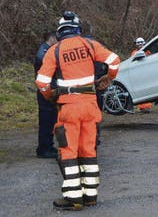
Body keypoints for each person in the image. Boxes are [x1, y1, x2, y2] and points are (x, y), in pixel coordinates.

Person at [35, 11, 120, 211]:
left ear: (60, 32)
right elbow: (114, 60)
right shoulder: (90, 45)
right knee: (88, 149)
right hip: (90, 106)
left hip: (69, 108)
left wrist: (50, 96)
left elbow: (42, 82)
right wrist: (108, 78)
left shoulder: (54, 51)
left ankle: (74, 198)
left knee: (68, 151)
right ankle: (90, 196)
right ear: (78, 29)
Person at [33, 31, 58, 159]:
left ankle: (48, 146)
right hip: (45, 90)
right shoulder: (43, 53)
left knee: (50, 120)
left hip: (47, 89)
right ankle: (44, 149)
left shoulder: (45, 51)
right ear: (52, 38)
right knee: (46, 121)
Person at [130, 37, 153, 113]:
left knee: (147, 90)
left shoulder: (148, 52)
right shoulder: (134, 53)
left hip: (147, 73)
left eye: (141, 43)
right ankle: (141, 107)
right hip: (138, 73)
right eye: (138, 43)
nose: (140, 45)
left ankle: (147, 107)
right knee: (140, 90)